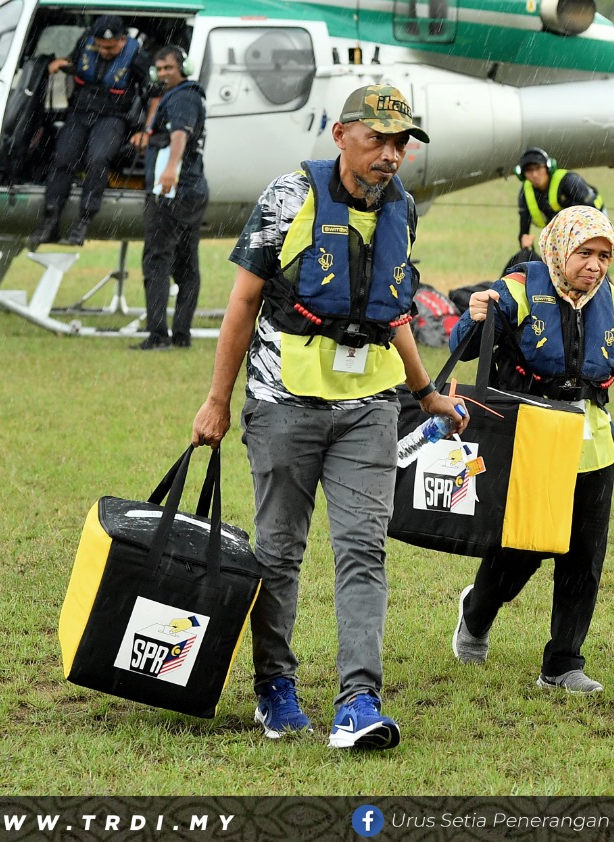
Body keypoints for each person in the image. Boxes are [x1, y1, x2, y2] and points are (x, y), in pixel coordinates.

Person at [190, 83, 468, 750]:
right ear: (341, 135)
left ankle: (358, 702)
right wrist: (218, 400)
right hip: (283, 403)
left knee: (363, 549)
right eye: (377, 140)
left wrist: (425, 392)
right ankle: (274, 687)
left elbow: (390, 310)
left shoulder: (402, 208)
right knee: (279, 552)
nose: (390, 155)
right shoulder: (289, 197)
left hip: (369, 408)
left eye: (400, 143)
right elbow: (242, 303)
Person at [448, 206, 614, 694]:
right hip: (530, 441)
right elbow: (467, 343)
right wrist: (473, 316)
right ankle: (476, 613)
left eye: (604, 256)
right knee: (523, 549)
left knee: (584, 556)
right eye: (585, 253)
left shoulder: (610, 297)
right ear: (560, 249)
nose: (595, 266)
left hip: (594, 447)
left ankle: (562, 664)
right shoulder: (520, 286)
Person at [30, 15, 152, 247]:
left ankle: (83, 220)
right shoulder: (85, 44)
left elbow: (155, 94)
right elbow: (77, 65)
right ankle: (51, 219)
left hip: (112, 116)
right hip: (80, 112)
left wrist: (147, 129)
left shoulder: (137, 57)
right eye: (100, 46)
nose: (104, 52)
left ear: (122, 40)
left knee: (98, 159)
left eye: (110, 47)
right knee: (63, 159)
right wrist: (62, 64)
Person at [134, 45, 209, 351]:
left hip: (173, 192)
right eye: (160, 69)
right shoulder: (188, 95)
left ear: (183, 69)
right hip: (192, 191)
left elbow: (180, 135)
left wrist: (169, 171)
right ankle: (181, 334)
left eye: (169, 68)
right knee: (186, 264)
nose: (164, 73)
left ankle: (157, 336)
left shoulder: (182, 97)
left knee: (157, 261)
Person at [515, 147, 604, 251]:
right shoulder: (526, 192)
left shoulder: (569, 181)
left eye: (538, 168)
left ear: (548, 167)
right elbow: (524, 229)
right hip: (559, 230)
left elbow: (591, 211)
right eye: (529, 170)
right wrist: (526, 247)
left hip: (592, 219)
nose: (534, 174)